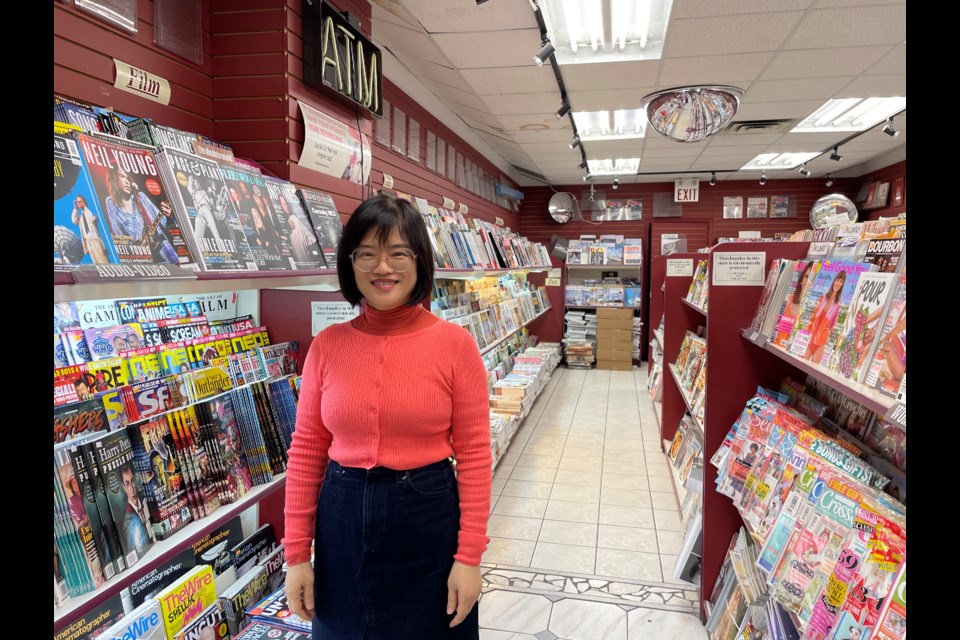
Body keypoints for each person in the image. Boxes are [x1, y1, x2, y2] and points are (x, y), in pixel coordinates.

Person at [283, 195, 491, 639]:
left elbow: (474, 455)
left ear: (419, 261)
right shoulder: (327, 346)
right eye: (367, 253)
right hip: (341, 520)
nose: (383, 267)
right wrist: (297, 554)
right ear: (349, 262)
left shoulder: (456, 346)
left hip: (427, 518)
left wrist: (469, 558)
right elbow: (305, 452)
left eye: (398, 253)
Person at [104, 164, 178, 264]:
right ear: (114, 180)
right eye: (122, 176)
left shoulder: (140, 197)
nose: (127, 181)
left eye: (127, 178)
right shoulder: (111, 203)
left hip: (165, 253)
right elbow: (119, 237)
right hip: (142, 261)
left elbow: (164, 224)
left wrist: (169, 217)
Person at [804, 270, 846, 363]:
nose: (838, 283)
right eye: (837, 280)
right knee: (801, 361)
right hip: (811, 337)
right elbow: (813, 317)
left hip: (821, 341)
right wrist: (807, 333)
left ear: (842, 285)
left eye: (841, 281)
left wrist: (828, 333)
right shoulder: (822, 298)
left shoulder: (838, 305)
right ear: (834, 281)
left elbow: (833, 325)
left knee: (815, 368)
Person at [120, 464, 153, 555]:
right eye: (127, 484)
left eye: (132, 481)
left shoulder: (147, 500)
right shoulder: (127, 521)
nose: (132, 488)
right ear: (123, 487)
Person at [71, 194, 111, 264]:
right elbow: (74, 220)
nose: (78, 203)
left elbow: (93, 218)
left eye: (80, 201)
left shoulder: (89, 212)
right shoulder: (80, 218)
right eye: (77, 202)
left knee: (104, 261)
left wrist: (84, 207)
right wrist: (76, 209)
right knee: (96, 263)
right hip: (88, 243)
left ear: (84, 202)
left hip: (95, 241)